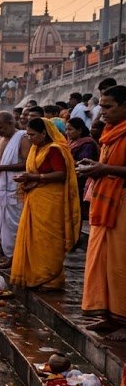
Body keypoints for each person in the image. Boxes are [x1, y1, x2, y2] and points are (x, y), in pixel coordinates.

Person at [10, 118, 81, 290]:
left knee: (48, 239)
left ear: (44, 133)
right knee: (35, 240)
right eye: (28, 134)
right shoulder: (36, 148)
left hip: (51, 201)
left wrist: (35, 177)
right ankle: (35, 276)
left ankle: (51, 279)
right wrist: (29, 178)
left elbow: (60, 174)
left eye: (33, 135)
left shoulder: (55, 149)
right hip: (36, 198)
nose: (30, 138)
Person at [79, 85, 126, 340]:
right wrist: (97, 167)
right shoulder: (109, 131)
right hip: (105, 205)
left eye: (108, 106)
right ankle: (107, 316)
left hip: (122, 206)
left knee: (120, 264)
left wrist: (103, 169)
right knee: (103, 261)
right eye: (101, 105)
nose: (102, 111)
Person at [0, 111, 30, 267]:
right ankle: (10, 256)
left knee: (14, 225)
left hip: (14, 188)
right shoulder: (0, 140)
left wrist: (2, 168)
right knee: (0, 226)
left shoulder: (22, 138)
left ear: (11, 123)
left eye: (1, 127)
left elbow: (27, 164)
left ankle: (17, 259)